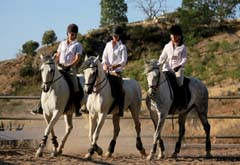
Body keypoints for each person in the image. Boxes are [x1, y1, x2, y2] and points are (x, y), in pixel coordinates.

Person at [31, 23, 83, 117]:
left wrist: (69, 66)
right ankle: (39, 107)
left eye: (73, 34)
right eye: (70, 33)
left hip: (71, 69)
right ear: (67, 33)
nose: (71, 35)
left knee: (76, 86)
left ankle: (77, 108)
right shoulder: (62, 43)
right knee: (47, 83)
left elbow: (77, 59)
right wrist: (54, 63)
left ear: (76, 34)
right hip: (59, 67)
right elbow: (58, 56)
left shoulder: (78, 45)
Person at [102, 25, 128, 117]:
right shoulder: (108, 45)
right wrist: (105, 64)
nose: (115, 37)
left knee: (120, 88)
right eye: (113, 35)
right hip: (106, 71)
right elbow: (104, 57)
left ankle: (120, 108)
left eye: (116, 36)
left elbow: (124, 61)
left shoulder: (122, 47)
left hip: (116, 72)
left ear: (119, 36)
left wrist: (115, 66)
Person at [158, 25, 187, 105]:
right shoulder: (167, 46)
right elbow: (162, 58)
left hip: (177, 70)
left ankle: (182, 101)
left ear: (179, 36)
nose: (173, 36)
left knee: (179, 82)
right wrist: (157, 66)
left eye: (175, 35)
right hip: (166, 69)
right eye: (172, 35)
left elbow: (184, 59)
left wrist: (179, 66)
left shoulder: (183, 47)